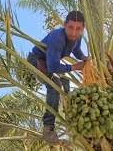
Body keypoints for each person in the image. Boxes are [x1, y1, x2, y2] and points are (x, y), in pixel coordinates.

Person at [27, 11, 88, 145]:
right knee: (54, 85)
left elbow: (76, 50)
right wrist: (75, 67)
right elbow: (53, 67)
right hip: (37, 61)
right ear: (65, 25)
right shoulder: (57, 38)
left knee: (66, 80)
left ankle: (70, 115)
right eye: (71, 27)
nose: (73, 32)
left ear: (82, 29)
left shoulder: (77, 38)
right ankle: (48, 128)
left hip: (49, 62)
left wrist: (84, 58)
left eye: (78, 29)